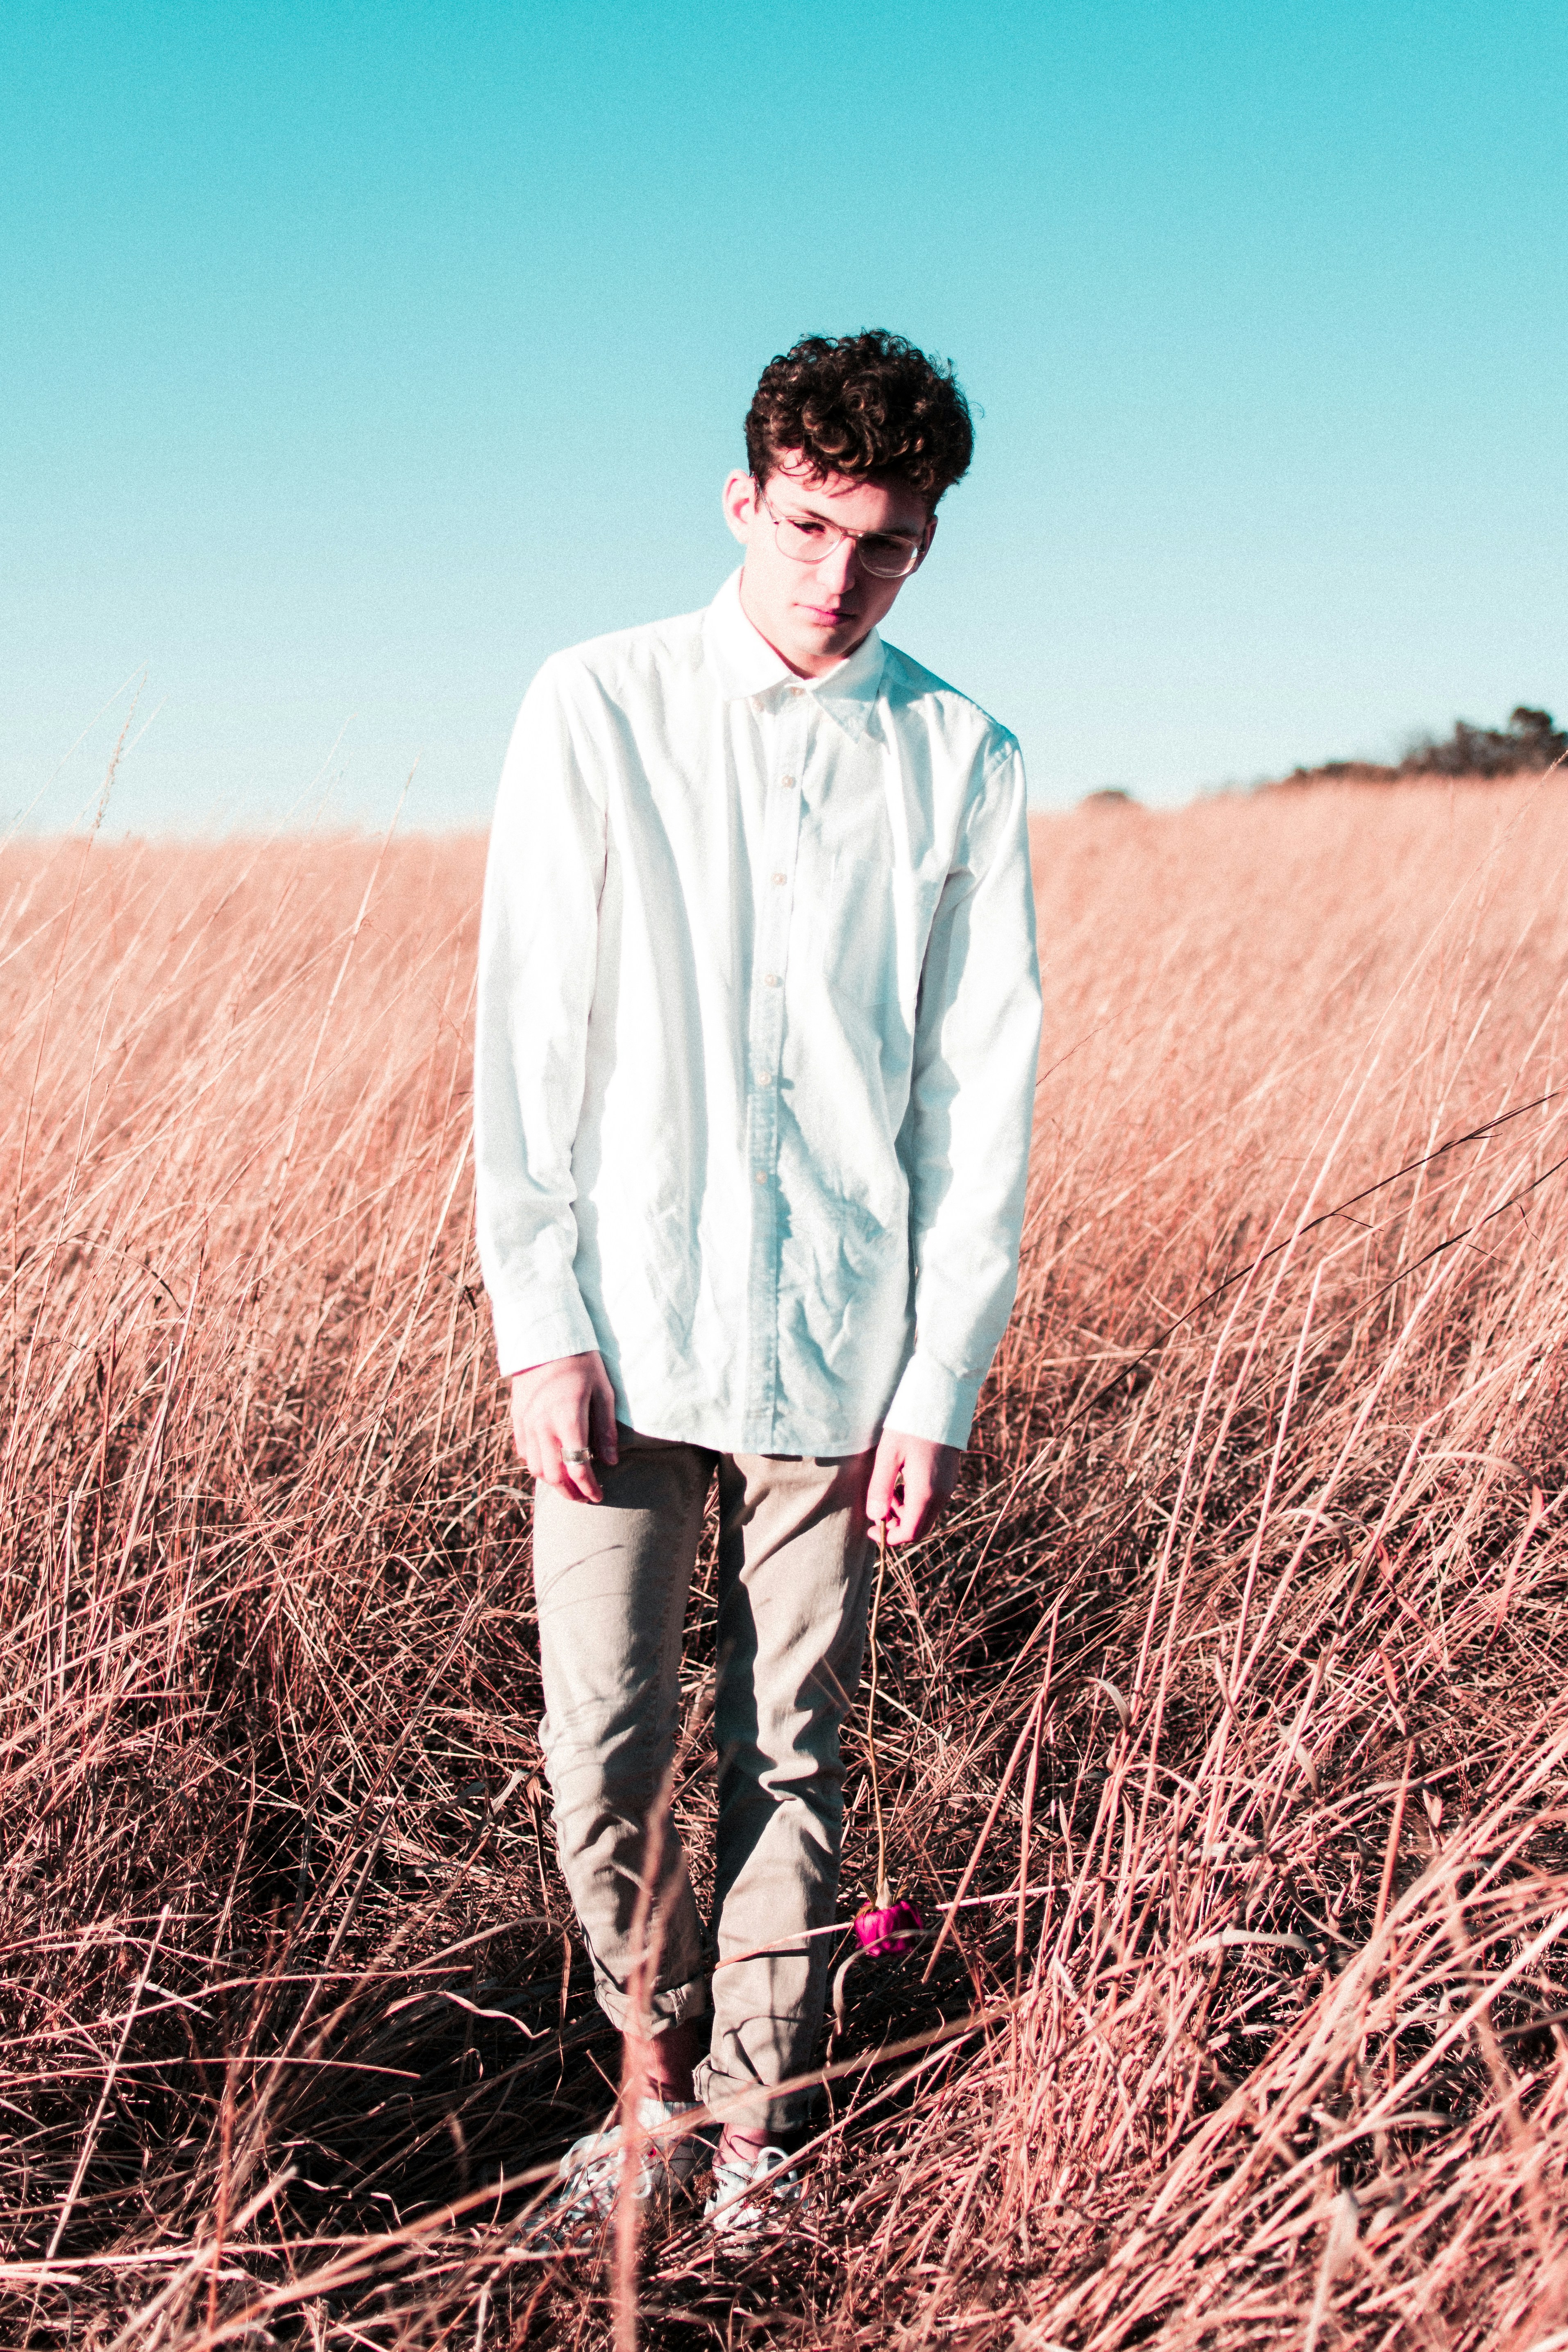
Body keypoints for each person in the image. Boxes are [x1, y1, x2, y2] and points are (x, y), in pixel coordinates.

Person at [473, 329, 1042, 2239]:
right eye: (808, 525)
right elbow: (528, 1036)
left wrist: (940, 1377)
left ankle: (747, 2134)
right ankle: (644, 2094)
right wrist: (538, 1322)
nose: (837, 574)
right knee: (606, 1745)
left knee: (795, 1749)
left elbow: (976, 1094)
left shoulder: (963, 757)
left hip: (845, 1346)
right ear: (744, 499)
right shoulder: (596, 703)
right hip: (620, 1329)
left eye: (884, 543)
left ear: (926, 543)